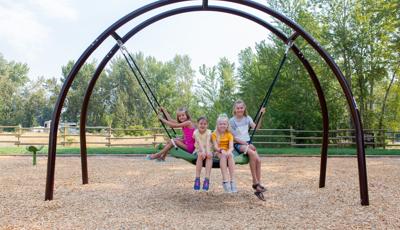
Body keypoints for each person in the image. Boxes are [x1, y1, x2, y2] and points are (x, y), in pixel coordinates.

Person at [229, 99, 267, 195]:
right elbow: (234, 138)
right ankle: (255, 182)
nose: (240, 110)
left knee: (259, 160)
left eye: (241, 108)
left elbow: (257, 128)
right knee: (252, 153)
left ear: (244, 108)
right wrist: (246, 144)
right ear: (235, 109)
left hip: (247, 143)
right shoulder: (232, 121)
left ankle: (258, 184)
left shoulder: (247, 118)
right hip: (238, 144)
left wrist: (261, 115)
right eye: (238, 108)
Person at [211, 114, 237, 193]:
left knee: (230, 156)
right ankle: (225, 180)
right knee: (223, 156)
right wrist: (221, 150)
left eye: (224, 124)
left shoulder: (229, 135)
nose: (222, 125)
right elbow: (215, 146)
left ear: (227, 125)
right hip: (217, 152)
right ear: (217, 125)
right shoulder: (214, 134)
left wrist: (228, 152)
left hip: (227, 151)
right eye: (220, 124)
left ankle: (232, 180)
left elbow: (231, 147)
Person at [192, 116, 213, 191]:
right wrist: (203, 151)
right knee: (200, 154)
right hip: (198, 150)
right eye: (201, 123)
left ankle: (207, 179)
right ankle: (197, 179)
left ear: (207, 125)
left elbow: (207, 142)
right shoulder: (195, 132)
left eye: (205, 124)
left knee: (209, 156)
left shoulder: (209, 132)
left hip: (208, 149)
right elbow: (199, 142)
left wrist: (207, 152)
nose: (203, 125)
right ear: (197, 124)